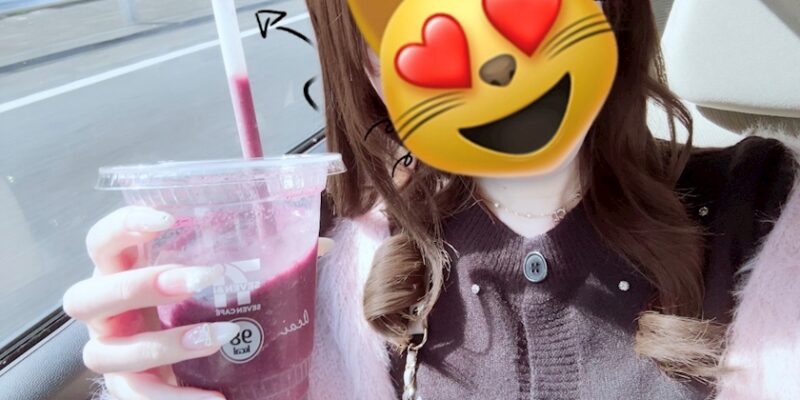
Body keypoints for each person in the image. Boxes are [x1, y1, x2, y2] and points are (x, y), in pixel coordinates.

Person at [63, 0, 800, 399]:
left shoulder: (771, 216)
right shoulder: (320, 278)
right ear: (364, 60)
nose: (490, 55)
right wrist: (175, 385)